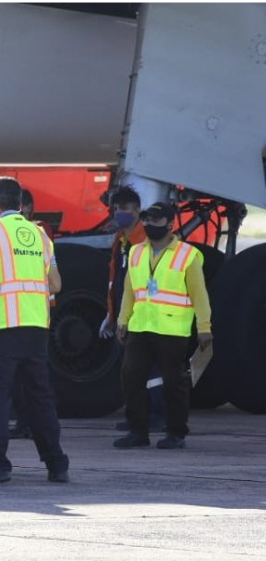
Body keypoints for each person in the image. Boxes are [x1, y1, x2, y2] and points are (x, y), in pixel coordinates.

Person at [0, 176, 69, 485]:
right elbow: (56, 283)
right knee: (39, 397)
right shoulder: (39, 234)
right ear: (19, 203)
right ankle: (56, 462)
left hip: (4, 326)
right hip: (36, 328)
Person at [113, 202, 213, 450]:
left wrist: (204, 327)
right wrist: (123, 320)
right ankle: (138, 431)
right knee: (130, 376)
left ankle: (176, 432)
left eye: (155, 221)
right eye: (146, 220)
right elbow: (129, 291)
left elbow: (200, 295)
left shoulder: (187, 256)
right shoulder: (136, 252)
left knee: (173, 382)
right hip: (141, 326)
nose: (148, 225)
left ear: (170, 225)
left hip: (172, 328)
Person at [100, 185, 167, 432]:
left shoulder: (146, 241)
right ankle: (137, 417)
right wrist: (112, 315)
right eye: (116, 209)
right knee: (131, 371)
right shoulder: (122, 242)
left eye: (125, 209)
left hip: (143, 316)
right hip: (123, 316)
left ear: (138, 210)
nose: (120, 213)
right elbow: (116, 282)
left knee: (150, 370)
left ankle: (157, 416)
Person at [7, 188, 44, 440]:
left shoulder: (38, 231)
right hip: (20, 313)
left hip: (32, 313)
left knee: (31, 379)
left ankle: (30, 423)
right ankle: (25, 421)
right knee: (20, 379)